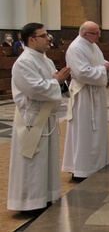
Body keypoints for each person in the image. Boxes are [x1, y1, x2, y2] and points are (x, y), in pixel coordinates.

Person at [7, 22, 71, 216]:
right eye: (44, 36)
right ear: (31, 40)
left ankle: (45, 196)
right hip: (32, 119)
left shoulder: (45, 59)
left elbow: (52, 81)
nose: (48, 39)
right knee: (32, 161)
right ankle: (29, 202)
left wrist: (59, 81)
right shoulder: (24, 62)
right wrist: (57, 81)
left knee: (46, 160)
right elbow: (34, 89)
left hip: (46, 118)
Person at [62, 21, 109, 181]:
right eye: (96, 33)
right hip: (84, 95)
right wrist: (104, 69)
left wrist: (108, 67)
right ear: (85, 33)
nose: (99, 35)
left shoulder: (92, 45)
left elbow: (98, 63)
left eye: (99, 32)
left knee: (97, 130)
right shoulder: (76, 48)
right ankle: (80, 169)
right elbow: (81, 73)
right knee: (83, 132)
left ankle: (96, 165)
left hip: (96, 94)